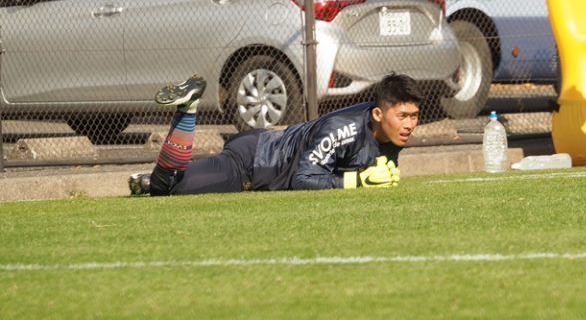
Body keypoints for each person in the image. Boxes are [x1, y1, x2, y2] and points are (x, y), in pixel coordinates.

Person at [128, 72, 422, 195]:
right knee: (166, 187)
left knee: (168, 181)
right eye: (403, 116)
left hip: (260, 156)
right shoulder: (342, 129)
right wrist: (357, 181)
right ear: (378, 114)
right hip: (252, 162)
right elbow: (302, 178)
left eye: (414, 116)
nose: (409, 125)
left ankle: (149, 179)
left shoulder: (391, 132)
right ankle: (188, 108)